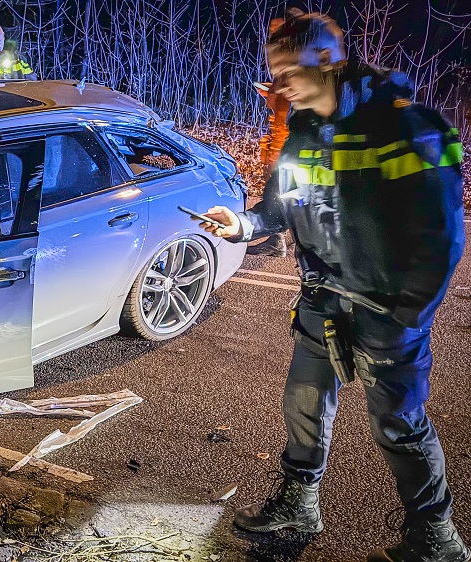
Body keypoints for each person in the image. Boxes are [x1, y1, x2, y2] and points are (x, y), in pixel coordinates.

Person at [194, 11, 467, 562]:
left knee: (399, 425)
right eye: (274, 72)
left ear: (328, 61)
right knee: (304, 400)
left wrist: (408, 314)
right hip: (322, 297)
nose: (279, 84)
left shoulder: (407, 125)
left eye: (289, 69)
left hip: (386, 310)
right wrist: (243, 224)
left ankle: (436, 539)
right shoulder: (302, 130)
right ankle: (299, 504)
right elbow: (280, 205)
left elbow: (442, 237)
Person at [248, 17, 294, 258]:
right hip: (280, 141)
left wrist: (272, 94)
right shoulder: (286, 70)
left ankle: (278, 241)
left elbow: (287, 104)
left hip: (285, 144)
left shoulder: (293, 70)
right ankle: (291, 235)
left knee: (280, 191)